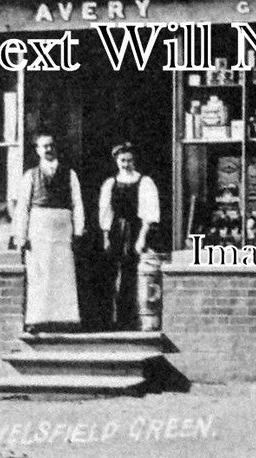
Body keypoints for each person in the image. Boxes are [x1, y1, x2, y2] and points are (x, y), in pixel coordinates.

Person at [14, 133, 85, 332]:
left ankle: (66, 319)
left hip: (62, 227)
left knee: (63, 273)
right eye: (44, 146)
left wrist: (78, 231)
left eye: (51, 145)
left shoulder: (69, 174)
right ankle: (37, 320)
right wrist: (21, 234)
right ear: (37, 150)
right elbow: (22, 207)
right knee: (39, 273)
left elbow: (77, 204)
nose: (48, 149)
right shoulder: (30, 175)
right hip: (38, 227)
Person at [97, 142, 161, 329]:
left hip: (136, 229)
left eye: (129, 160)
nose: (126, 164)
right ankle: (115, 319)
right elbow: (106, 211)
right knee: (114, 272)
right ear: (117, 161)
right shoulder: (111, 183)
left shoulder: (144, 182)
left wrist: (142, 237)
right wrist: (106, 236)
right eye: (122, 160)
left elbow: (149, 213)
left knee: (133, 273)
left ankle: (134, 319)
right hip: (117, 230)